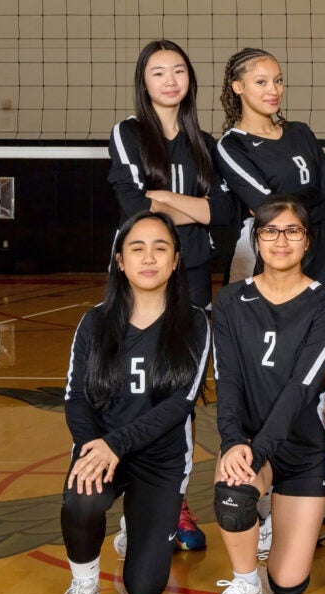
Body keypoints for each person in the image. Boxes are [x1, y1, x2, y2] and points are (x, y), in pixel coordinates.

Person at [57, 211, 210, 594]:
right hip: (102, 450)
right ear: (120, 261)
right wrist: (92, 449)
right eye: (136, 248)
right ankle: (83, 589)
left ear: (176, 260)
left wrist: (116, 445)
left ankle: (140, 521)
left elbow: (180, 404)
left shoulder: (194, 322)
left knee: (144, 591)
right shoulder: (95, 321)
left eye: (160, 248)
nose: (149, 258)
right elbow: (76, 398)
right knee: (83, 498)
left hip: (160, 462)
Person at [107, 40, 233, 551]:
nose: (169, 80)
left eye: (178, 70)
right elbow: (136, 209)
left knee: (181, 393)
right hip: (144, 278)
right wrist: (191, 207)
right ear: (144, 82)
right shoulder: (129, 133)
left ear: (189, 80)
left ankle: (174, 502)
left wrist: (166, 201)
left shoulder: (206, 141)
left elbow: (223, 214)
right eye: (158, 72)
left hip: (195, 277)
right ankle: (134, 504)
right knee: (138, 389)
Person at [207, 195, 325, 594]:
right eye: (269, 231)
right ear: (256, 239)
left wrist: (260, 451)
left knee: (288, 582)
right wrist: (234, 444)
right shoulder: (229, 302)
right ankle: (246, 583)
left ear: (308, 242)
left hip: (302, 448)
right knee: (234, 491)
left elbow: (301, 388)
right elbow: (225, 381)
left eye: (292, 231)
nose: (280, 241)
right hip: (248, 441)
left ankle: (269, 519)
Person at [216, 48, 325, 285]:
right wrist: (310, 203)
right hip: (261, 258)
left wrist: (287, 208)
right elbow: (268, 210)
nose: (273, 90)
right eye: (261, 82)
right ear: (238, 87)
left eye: (278, 80)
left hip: (311, 255)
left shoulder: (300, 132)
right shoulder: (232, 145)